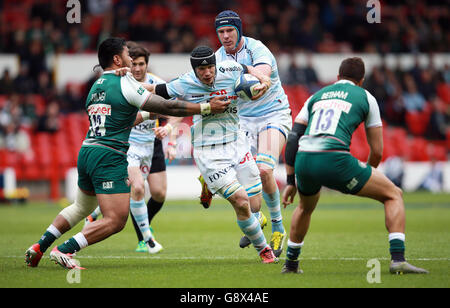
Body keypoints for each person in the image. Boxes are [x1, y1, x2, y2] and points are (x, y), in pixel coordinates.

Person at [24, 37, 230, 270]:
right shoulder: (126, 83)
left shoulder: (96, 86)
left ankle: (39, 246)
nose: (131, 59)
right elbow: (168, 107)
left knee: (81, 208)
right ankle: (64, 250)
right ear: (116, 58)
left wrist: (147, 115)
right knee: (116, 219)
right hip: (109, 156)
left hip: (88, 151)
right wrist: (206, 107)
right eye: (127, 54)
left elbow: (124, 119)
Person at [281, 57, 428, 275]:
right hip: (335, 158)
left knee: (305, 207)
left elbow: (293, 138)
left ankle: (291, 265)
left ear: (338, 78)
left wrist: (291, 181)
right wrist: (367, 174)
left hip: (304, 159)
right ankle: (398, 259)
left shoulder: (316, 96)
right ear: (361, 81)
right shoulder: (366, 97)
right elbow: (377, 150)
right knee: (393, 194)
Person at [150, 45, 278, 264]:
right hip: (209, 152)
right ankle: (264, 249)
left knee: (255, 205)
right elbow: (156, 92)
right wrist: (124, 86)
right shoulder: (185, 82)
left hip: (237, 143)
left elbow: (248, 67)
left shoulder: (230, 69)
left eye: (210, 67)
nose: (207, 72)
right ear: (194, 70)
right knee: (241, 201)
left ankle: (211, 187)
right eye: (202, 70)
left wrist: (263, 79)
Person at [85, 44, 181, 254]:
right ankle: (146, 239)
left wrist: (171, 134)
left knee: (159, 193)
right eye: (134, 63)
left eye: (141, 64)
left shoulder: (157, 83)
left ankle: (96, 213)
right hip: (127, 143)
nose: (137, 69)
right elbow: (122, 119)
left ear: (147, 64)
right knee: (137, 188)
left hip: (151, 144)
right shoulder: (120, 82)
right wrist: (150, 115)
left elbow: (176, 108)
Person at [213, 10, 292, 257]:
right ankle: (257, 218)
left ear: (239, 30)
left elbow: (264, 77)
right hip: (242, 121)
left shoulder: (258, 50)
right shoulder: (217, 58)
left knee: (265, 168)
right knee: (236, 176)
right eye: (221, 32)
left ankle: (278, 228)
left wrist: (248, 74)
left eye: (229, 31)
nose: (225, 36)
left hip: (273, 114)